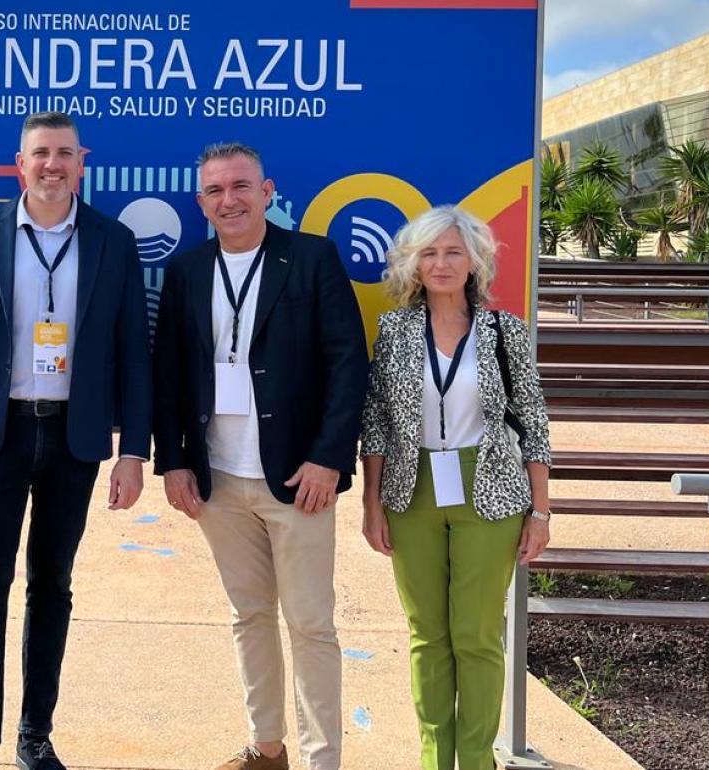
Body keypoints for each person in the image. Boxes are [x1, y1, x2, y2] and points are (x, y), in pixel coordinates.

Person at [0, 111, 153, 770]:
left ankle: (35, 735)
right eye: (40, 154)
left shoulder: (113, 241)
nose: (52, 165)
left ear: (81, 161)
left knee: (51, 586)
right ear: (20, 161)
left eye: (64, 153)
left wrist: (134, 451)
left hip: (74, 438)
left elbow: (132, 354)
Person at [153, 142, 369, 770]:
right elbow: (167, 374)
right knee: (249, 617)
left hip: (299, 478)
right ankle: (266, 747)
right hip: (219, 480)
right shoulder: (187, 270)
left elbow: (347, 365)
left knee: (310, 625)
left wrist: (330, 458)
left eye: (241, 186)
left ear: (268, 191)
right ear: (201, 202)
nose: (230, 200)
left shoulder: (311, 258)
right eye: (216, 191)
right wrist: (175, 461)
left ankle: (322, 759)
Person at [359, 205, 552, 770]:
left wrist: (540, 511)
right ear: (413, 264)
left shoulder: (504, 331)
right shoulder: (393, 331)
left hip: (490, 492)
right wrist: (372, 505)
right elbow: (376, 422)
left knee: (476, 634)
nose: (441, 263)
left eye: (452, 252)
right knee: (427, 635)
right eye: (429, 252)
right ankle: (434, 758)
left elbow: (533, 422)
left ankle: (475, 759)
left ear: (474, 262)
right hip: (410, 489)